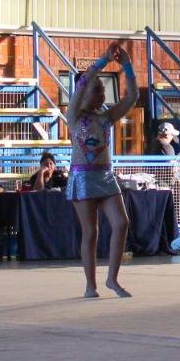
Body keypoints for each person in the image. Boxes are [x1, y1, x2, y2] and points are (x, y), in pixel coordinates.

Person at [67, 42, 138, 298]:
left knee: (121, 223)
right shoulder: (74, 116)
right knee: (91, 232)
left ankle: (112, 279)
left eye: (103, 90)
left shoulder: (106, 117)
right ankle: (91, 284)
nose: (102, 95)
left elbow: (132, 97)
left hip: (105, 176)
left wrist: (127, 65)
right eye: (97, 90)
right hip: (83, 177)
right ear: (83, 92)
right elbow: (83, 82)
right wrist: (103, 61)